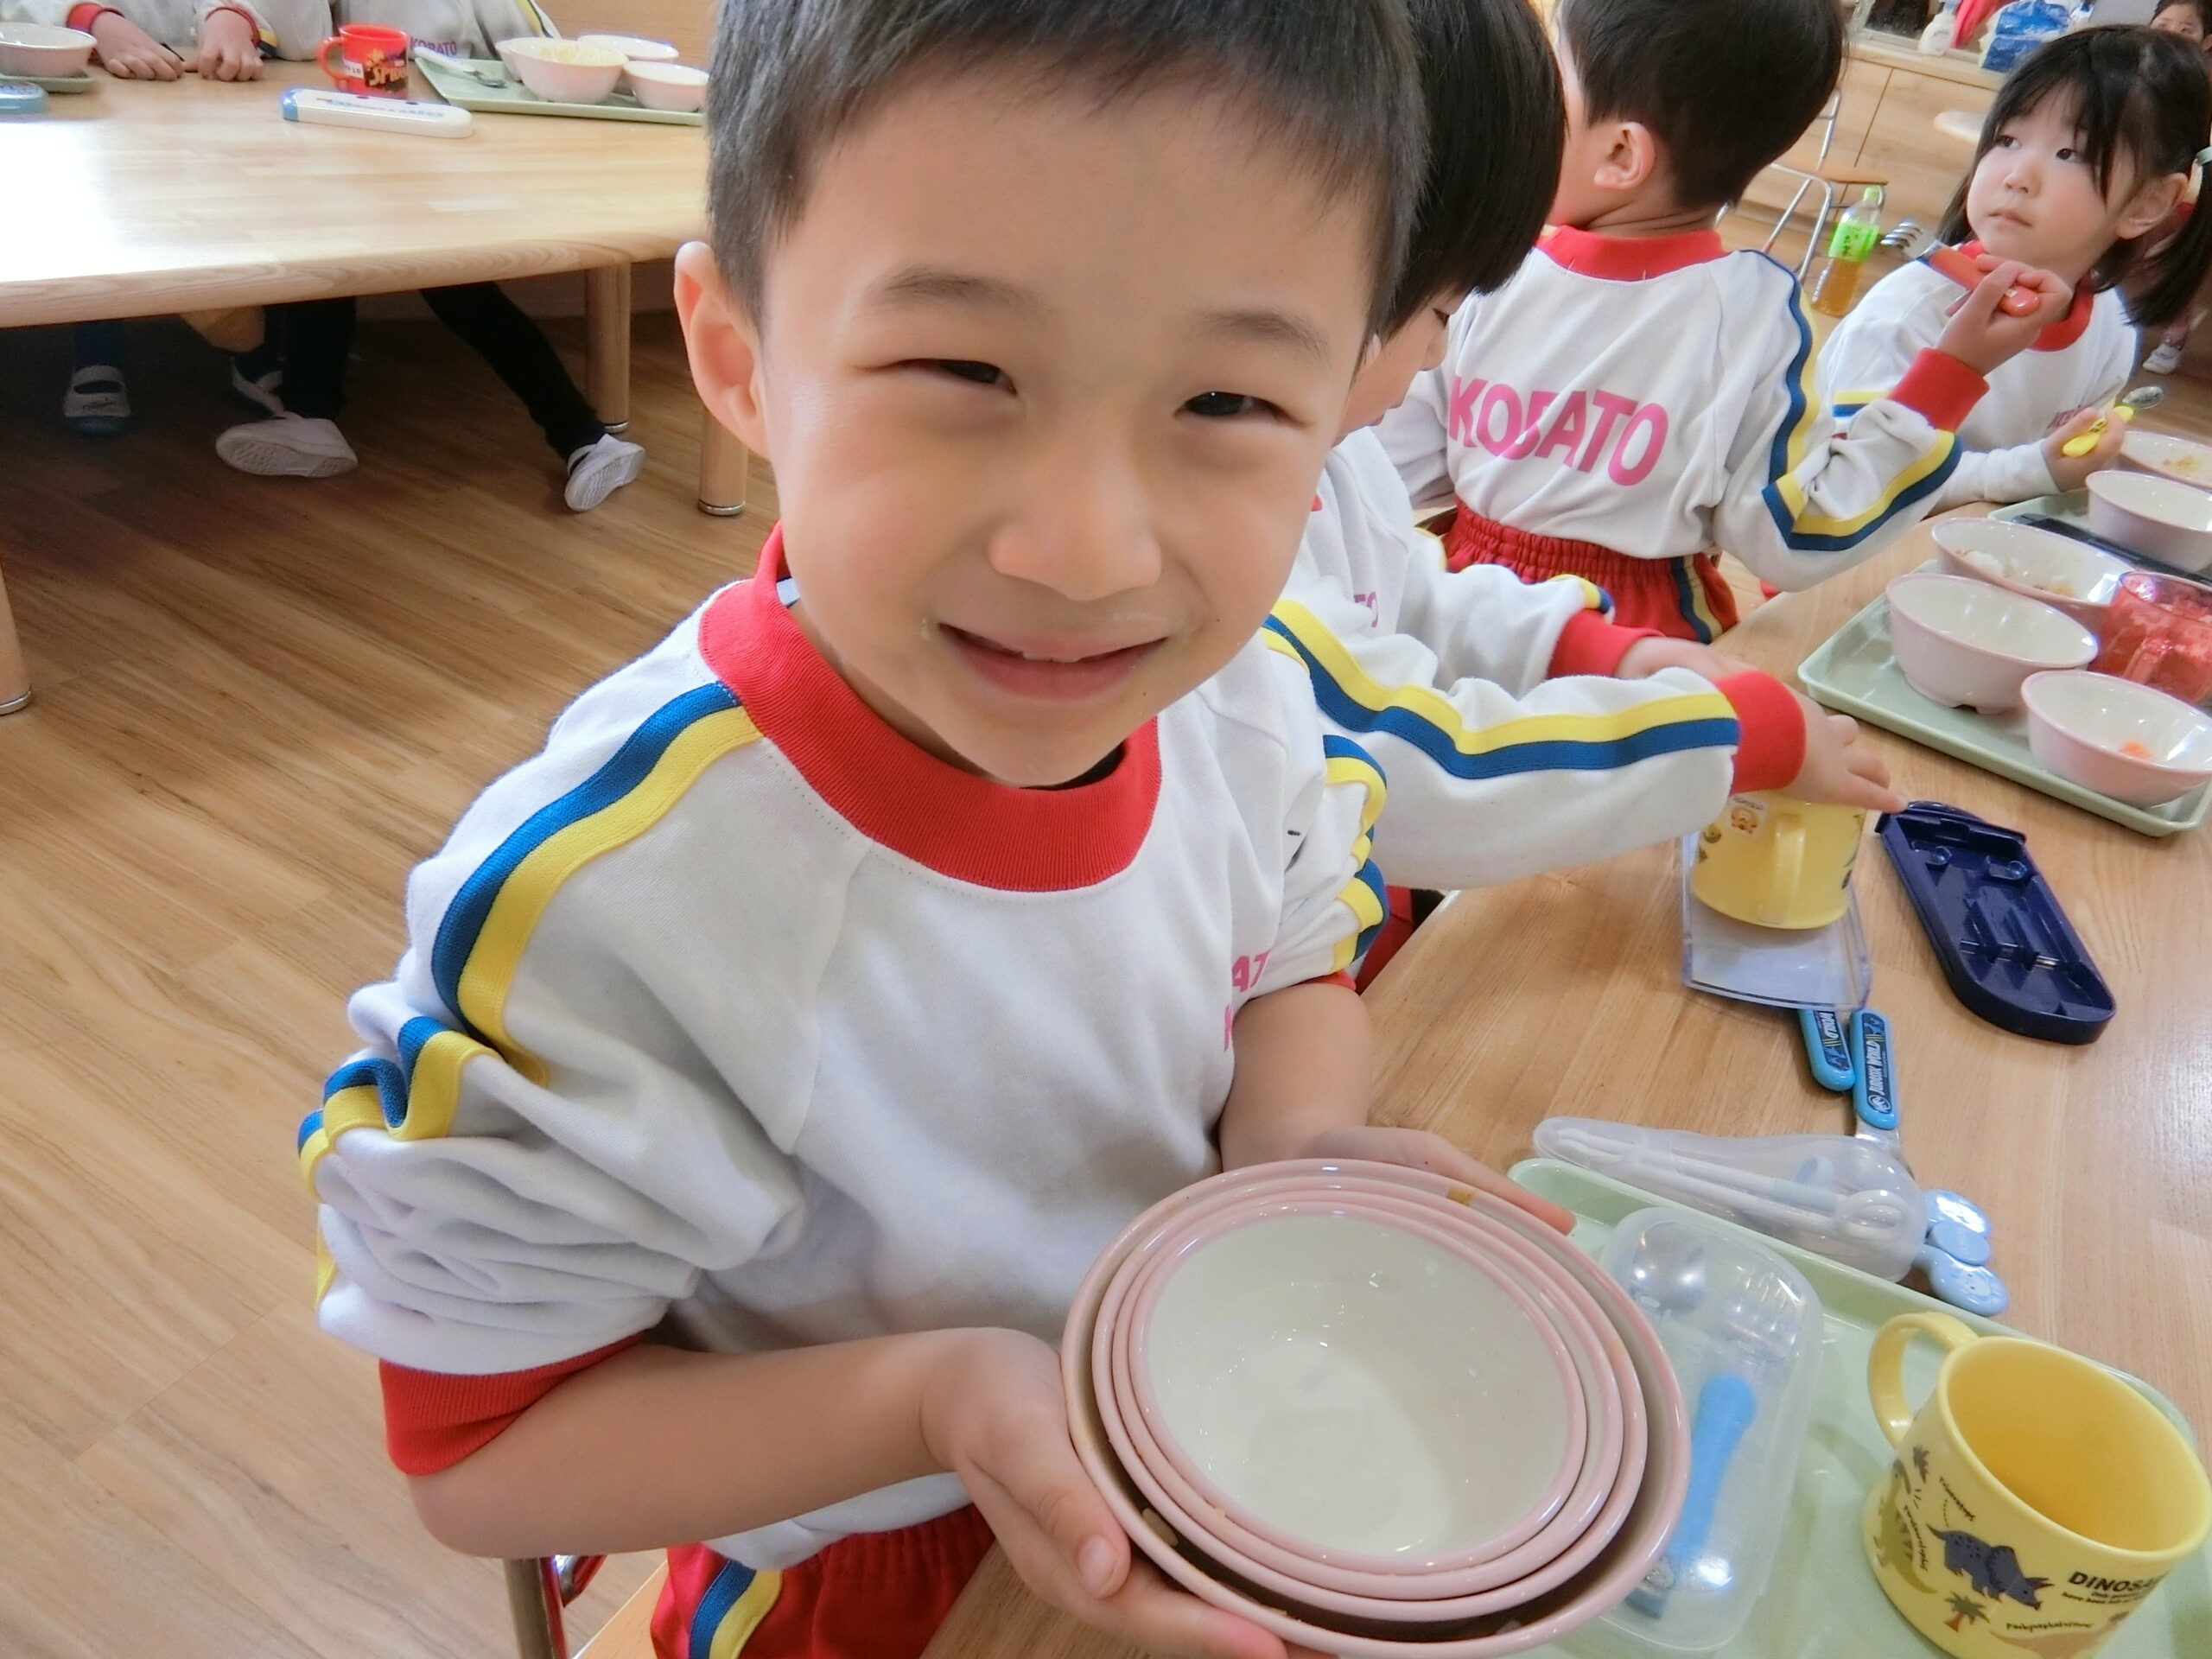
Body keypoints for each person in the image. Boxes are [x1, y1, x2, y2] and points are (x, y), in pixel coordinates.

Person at [300, 5, 1572, 1659]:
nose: (1091, 554)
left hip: (1205, 1442)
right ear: (739, 358)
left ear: (1348, 400)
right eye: (966, 372)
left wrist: (1291, 1147)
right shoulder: (620, 907)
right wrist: (937, 1399)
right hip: (862, 1573)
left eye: (1229, 400)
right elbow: (481, 1454)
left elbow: (1295, 954)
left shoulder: (1243, 699)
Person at [1286, 0, 1901, 963]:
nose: (1438, 356)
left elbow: (1406, 592)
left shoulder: (1339, 456)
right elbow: (1411, 765)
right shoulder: (1237, 517)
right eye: (1440, 313)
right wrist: (1730, 738)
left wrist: (1590, 646)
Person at [1377, 0, 2073, 643]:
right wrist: (1950, 375)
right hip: (1631, 639)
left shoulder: (1502, 268)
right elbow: (1796, 532)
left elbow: (1390, 460)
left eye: (1548, 89)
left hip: (1467, 607)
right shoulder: (1750, 312)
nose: (1522, 115)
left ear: (1622, 154)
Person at [218, 1, 646, 510]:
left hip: (448, 180)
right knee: (330, 257)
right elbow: (291, 40)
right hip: (347, 167)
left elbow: (543, 53)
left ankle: (585, 437)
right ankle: (310, 415)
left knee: (460, 291)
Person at [1821, 27, 2212, 505]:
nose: (2017, 176)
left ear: (2148, 203)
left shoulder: (2111, 326)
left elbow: (2061, 461)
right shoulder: (1910, 311)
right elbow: (1848, 486)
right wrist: (2034, 471)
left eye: (2070, 154)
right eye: (2007, 140)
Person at [9, 1, 327, 433]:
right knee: (103, 195)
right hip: (99, 92)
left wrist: (235, 14)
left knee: (239, 200)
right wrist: (91, 19)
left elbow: (305, 23)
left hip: (223, 95)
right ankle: (97, 345)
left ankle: (251, 344)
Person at [2139, 0, 2212, 374]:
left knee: (2170, 252)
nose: (2171, 35)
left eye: (2186, 30)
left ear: (2207, 41)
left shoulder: (2204, 82)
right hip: (2146, 177)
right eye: (2164, 24)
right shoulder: (2130, 67)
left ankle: (2176, 331)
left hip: (2193, 187)